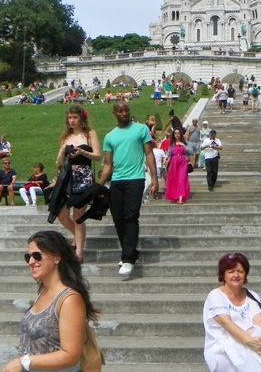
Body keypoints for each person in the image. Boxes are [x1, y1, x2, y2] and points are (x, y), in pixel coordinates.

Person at [0, 231, 98, 372]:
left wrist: (24, 362)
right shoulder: (42, 293)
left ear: (57, 257)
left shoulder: (70, 299)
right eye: (28, 257)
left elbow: (70, 355)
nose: (31, 262)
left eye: (37, 255)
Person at [98, 101, 158, 278]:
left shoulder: (141, 130)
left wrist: (154, 177)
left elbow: (149, 154)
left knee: (131, 216)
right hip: (117, 180)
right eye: (120, 111)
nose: (124, 113)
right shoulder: (110, 136)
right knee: (118, 217)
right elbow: (108, 164)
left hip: (136, 179)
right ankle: (129, 250)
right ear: (114, 113)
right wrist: (99, 185)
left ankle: (128, 259)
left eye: (126, 110)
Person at [53, 106, 101, 260]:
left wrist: (82, 152)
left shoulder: (90, 134)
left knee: (78, 214)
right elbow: (59, 164)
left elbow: (97, 156)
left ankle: (79, 252)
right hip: (68, 177)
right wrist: (62, 151)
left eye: (74, 117)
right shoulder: (66, 137)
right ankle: (77, 237)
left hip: (83, 175)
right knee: (61, 214)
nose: (71, 121)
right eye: (69, 118)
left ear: (81, 118)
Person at [164, 128, 191, 204]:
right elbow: (169, 153)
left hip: (183, 162)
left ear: (181, 134)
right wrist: (165, 159)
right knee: (175, 179)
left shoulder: (185, 142)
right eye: (175, 133)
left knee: (182, 179)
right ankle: (175, 195)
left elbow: (191, 150)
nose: (177, 134)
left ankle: (180, 198)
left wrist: (183, 145)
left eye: (178, 133)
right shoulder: (172, 143)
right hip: (174, 162)